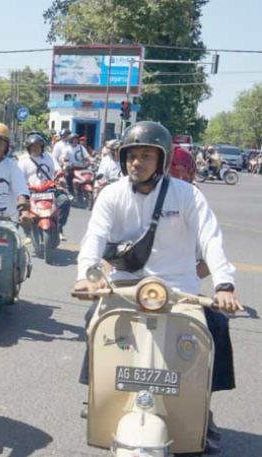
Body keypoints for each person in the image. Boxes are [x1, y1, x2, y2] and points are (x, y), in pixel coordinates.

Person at [73, 121, 242, 453]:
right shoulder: (111, 194)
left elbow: (211, 239)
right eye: (132, 155)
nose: (138, 162)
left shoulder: (187, 194)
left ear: (162, 160)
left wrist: (224, 285)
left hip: (178, 289)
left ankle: (202, 405)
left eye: (147, 155)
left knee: (216, 326)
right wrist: (85, 276)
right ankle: (96, 391)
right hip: (125, 287)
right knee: (94, 318)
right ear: (123, 159)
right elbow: (94, 237)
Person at [17, 133, 70, 240]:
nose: (35, 148)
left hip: (50, 189)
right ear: (28, 148)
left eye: (38, 146)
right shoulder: (23, 161)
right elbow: (18, 178)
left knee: (64, 201)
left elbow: (57, 170)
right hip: (31, 192)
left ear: (42, 147)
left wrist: (61, 179)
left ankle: (59, 228)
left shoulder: (49, 157)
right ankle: (28, 232)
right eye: (33, 146)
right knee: (20, 207)